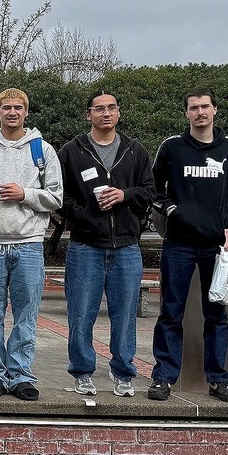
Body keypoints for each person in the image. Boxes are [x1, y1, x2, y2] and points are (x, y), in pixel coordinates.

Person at [149, 89, 228, 404]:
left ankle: (219, 380)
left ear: (215, 110)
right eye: (193, 108)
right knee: (170, 312)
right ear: (187, 114)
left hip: (217, 248)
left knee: (217, 315)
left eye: (205, 106)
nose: (200, 112)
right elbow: (152, 188)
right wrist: (171, 211)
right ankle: (164, 378)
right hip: (178, 245)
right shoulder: (172, 148)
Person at [0, 88, 63, 402]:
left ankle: (20, 375)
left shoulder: (43, 151)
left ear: (26, 112)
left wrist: (26, 194)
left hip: (29, 245)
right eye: (6, 108)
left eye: (18, 107)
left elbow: (57, 198)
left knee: (25, 315)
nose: (12, 113)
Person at [58, 93, 154, 398]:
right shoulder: (73, 151)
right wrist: (84, 215)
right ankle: (83, 371)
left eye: (111, 107)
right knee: (81, 313)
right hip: (85, 245)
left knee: (125, 314)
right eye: (99, 109)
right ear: (89, 115)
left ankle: (123, 372)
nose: (106, 113)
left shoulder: (134, 151)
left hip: (127, 246)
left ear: (118, 112)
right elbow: (58, 197)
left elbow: (150, 191)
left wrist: (124, 195)